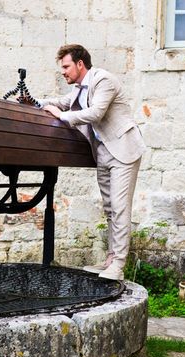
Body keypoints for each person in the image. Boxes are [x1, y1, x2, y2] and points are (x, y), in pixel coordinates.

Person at [41, 44, 146, 281]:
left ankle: (118, 266)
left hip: (123, 150)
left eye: (66, 66)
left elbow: (96, 113)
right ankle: (110, 259)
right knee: (110, 209)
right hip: (103, 152)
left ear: (80, 64)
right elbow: (62, 102)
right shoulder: (80, 87)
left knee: (120, 208)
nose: (63, 72)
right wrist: (34, 102)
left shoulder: (103, 80)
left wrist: (62, 117)